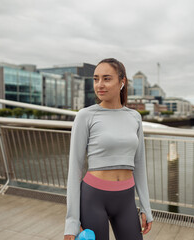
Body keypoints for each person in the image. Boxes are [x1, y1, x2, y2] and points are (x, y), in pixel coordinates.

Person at [63, 58, 153, 240]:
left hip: (126, 199)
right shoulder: (85, 116)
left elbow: (139, 164)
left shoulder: (134, 117)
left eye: (106, 78)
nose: (99, 85)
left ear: (122, 82)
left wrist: (146, 207)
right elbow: (75, 169)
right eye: (96, 79)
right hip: (93, 198)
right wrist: (71, 222)